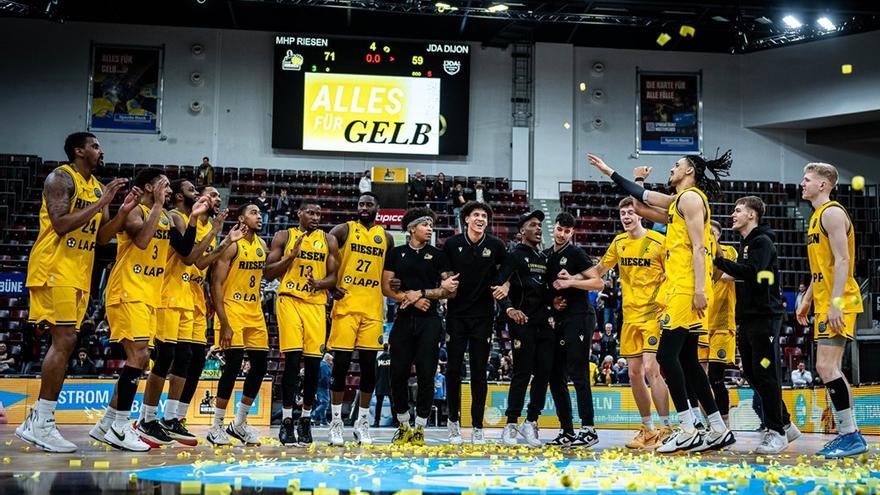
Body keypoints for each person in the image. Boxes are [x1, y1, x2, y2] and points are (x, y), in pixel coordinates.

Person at [588, 152, 735, 453]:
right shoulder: (679, 201)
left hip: (684, 287)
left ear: (690, 170)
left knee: (668, 358)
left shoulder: (691, 199)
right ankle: (718, 428)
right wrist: (611, 172)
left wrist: (698, 289)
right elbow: (640, 203)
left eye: (677, 165)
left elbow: (697, 247)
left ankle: (687, 427)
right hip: (683, 287)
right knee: (688, 361)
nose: (672, 169)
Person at [17, 132, 135, 452]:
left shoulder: (98, 187)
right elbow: (60, 223)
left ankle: (37, 420)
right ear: (78, 150)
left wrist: (122, 212)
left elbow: (100, 239)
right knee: (65, 340)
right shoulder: (61, 177)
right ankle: (41, 421)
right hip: (54, 267)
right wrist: (101, 203)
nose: (100, 151)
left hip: (79, 272)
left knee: (69, 342)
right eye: (95, 146)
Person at [87, 168, 180, 452]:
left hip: (150, 294)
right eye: (164, 185)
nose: (169, 190)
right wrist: (159, 206)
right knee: (138, 355)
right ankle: (121, 426)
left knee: (141, 358)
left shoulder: (165, 215)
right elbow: (141, 240)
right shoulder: (135, 210)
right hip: (128, 289)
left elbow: (186, 251)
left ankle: (106, 424)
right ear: (150, 187)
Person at [576, 196, 671, 449]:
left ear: (640, 214)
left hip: (653, 315)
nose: (626, 217)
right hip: (629, 317)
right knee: (633, 373)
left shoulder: (659, 242)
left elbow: (673, 275)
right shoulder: (619, 243)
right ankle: (648, 429)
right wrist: (571, 277)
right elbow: (599, 270)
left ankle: (667, 428)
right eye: (623, 214)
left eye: (631, 212)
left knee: (652, 369)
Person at [713, 196, 801, 454]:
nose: (733, 214)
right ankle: (785, 423)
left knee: (766, 372)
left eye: (738, 210)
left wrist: (719, 260)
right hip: (750, 318)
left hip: (765, 318)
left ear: (752, 215)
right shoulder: (747, 243)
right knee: (751, 372)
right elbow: (742, 273)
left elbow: (751, 272)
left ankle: (776, 432)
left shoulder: (761, 242)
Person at [795, 163, 866, 458]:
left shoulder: (832, 213)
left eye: (807, 179)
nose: (802, 183)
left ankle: (851, 435)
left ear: (823, 185)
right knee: (827, 367)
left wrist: (836, 303)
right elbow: (820, 268)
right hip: (824, 299)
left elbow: (843, 260)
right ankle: (848, 434)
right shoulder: (815, 218)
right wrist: (809, 299)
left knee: (827, 367)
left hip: (839, 300)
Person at [136, 179, 211, 447]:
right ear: (180, 196)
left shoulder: (192, 220)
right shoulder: (175, 217)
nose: (198, 194)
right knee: (164, 357)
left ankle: (169, 418)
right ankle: (146, 418)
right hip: (167, 293)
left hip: (186, 298)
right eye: (193, 191)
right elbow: (189, 256)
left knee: (187, 358)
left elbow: (196, 262)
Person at [265, 199, 339, 446]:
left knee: (313, 367)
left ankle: (305, 420)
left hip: (316, 305)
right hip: (289, 300)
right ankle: (286, 422)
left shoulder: (328, 240)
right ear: (299, 214)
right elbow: (268, 272)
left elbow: (333, 277)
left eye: (318, 213)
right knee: (292, 362)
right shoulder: (283, 236)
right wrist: (292, 256)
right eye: (310, 212)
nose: (315, 216)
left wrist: (319, 284)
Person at [382, 207, 457, 445]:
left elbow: (450, 289)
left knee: (427, 375)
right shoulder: (395, 253)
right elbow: (385, 287)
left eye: (431, 225)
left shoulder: (438, 255)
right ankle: (403, 423)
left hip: (430, 321)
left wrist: (422, 293)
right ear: (411, 228)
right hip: (403, 319)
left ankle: (420, 427)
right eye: (425, 224)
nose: (429, 228)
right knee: (397, 374)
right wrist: (410, 298)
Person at [326, 192, 394, 445]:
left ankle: (362, 422)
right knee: (341, 367)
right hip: (346, 307)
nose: (364, 207)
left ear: (378, 207)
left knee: (369, 370)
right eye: (361, 204)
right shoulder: (343, 230)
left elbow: (390, 273)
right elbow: (326, 258)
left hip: (373, 309)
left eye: (369, 204)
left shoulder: (386, 238)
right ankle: (336, 422)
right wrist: (330, 286)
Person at [441, 201, 507, 445]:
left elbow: (506, 273)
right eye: (476, 215)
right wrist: (446, 283)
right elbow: (444, 274)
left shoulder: (496, 246)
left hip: (483, 316)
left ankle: (477, 426)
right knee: (453, 371)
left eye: (484, 216)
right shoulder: (452, 244)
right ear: (466, 219)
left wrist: (505, 286)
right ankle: (453, 424)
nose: (481, 219)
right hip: (456, 315)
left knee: (480, 372)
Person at [172, 186, 235, 431]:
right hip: (176, 292)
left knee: (197, 360)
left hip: (197, 295)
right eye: (212, 194)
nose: (217, 198)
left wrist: (209, 294)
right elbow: (192, 258)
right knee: (178, 358)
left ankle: (178, 416)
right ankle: (159, 415)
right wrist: (221, 237)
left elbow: (203, 265)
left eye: (219, 195)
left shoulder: (210, 228)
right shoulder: (187, 221)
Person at [208, 203, 270, 446]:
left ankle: (239, 424)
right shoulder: (232, 244)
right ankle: (216, 426)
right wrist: (223, 322)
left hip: (254, 311)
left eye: (260, 213)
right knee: (232, 367)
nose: (259, 216)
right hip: (232, 310)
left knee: (260, 366)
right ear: (242, 218)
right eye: (253, 212)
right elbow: (216, 284)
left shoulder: (262, 246)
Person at [541, 212, 604, 447]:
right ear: (554, 228)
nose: (562, 234)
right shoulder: (547, 256)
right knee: (555, 374)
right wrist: (552, 302)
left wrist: (571, 282)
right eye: (559, 229)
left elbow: (598, 282)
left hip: (579, 317)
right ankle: (566, 430)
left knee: (578, 372)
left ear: (572, 233)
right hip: (558, 319)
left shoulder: (576, 253)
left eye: (567, 231)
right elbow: (547, 288)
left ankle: (588, 428)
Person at [498, 210, 551, 448]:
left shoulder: (543, 257)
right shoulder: (514, 256)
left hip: (543, 324)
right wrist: (509, 309)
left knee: (543, 374)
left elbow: (546, 289)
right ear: (522, 231)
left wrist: (555, 304)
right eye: (533, 225)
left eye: (540, 225)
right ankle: (510, 424)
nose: (538, 228)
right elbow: (499, 286)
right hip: (522, 325)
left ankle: (531, 421)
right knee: (521, 374)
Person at [703, 219, 737, 427]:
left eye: (713, 234)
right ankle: (709, 422)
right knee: (699, 377)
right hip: (701, 323)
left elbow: (730, 273)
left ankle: (725, 423)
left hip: (723, 324)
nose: (710, 237)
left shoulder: (728, 251)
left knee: (716, 377)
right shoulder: (697, 253)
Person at [373, 345, 391, 427]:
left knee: (379, 404)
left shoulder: (378, 359)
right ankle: (396, 421)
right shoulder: (392, 359)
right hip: (390, 384)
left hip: (380, 384)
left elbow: (375, 373)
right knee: (393, 404)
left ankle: (376, 422)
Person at [315, 353, 333, 425]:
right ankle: (313, 416)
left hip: (320, 386)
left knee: (322, 403)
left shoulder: (321, 364)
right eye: (330, 360)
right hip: (323, 386)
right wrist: (327, 386)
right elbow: (324, 378)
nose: (331, 362)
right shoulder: (324, 365)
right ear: (327, 359)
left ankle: (323, 421)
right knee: (325, 403)